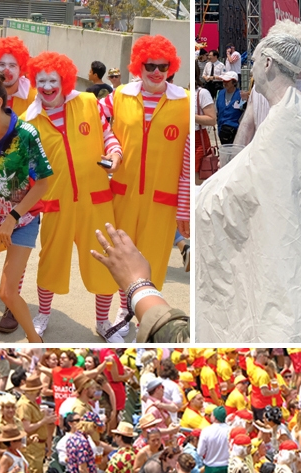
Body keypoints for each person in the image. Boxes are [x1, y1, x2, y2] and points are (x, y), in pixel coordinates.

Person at [195, 31, 301, 342]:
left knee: (283, 314)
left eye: (253, 62)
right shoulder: (300, 116)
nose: (250, 68)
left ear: (268, 63)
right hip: (297, 239)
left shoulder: (287, 123)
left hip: (283, 243)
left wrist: (204, 194)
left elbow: (246, 187)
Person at [24, 52, 122, 340]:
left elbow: (109, 135)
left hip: (96, 200)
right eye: (41, 81)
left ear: (64, 80)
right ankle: (43, 314)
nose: (47, 87)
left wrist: (115, 152)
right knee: (51, 262)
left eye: (53, 80)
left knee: (103, 263)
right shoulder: (28, 122)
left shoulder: (88, 103)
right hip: (56, 203)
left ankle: (103, 322)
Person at [98, 36, 190, 328]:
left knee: (152, 265)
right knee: (119, 257)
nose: (156, 71)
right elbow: (94, 116)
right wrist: (113, 145)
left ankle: (141, 319)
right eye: (150, 65)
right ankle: (120, 314)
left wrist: (185, 209)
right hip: (122, 194)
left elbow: (188, 164)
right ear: (139, 65)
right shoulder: (121, 94)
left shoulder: (184, 101)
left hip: (162, 201)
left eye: (162, 66)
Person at [0, 72, 52, 341]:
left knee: (7, 292)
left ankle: (35, 341)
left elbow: (44, 182)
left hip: (22, 221)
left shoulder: (27, 134)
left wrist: (14, 216)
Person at [0, 35, 35, 117]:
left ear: (21, 68)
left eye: (12, 65)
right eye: (2, 64)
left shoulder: (34, 96)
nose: (6, 70)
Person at [215, 71, 242, 144]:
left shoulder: (241, 95)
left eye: (227, 81)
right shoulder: (220, 93)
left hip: (235, 131)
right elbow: (216, 110)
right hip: (222, 130)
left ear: (234, 82)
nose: (224, 82)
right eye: (223, 80)